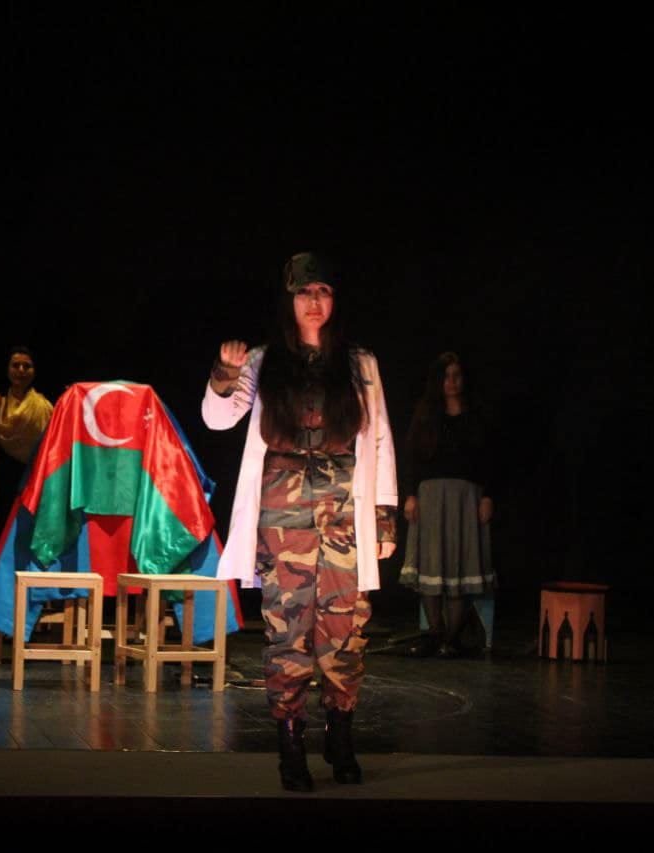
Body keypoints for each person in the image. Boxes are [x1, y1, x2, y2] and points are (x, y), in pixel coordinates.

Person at [202, 252, 398, 791]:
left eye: (324, 291)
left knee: (345, 631)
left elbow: (379, 437)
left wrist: (383, 518)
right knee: (288, 631)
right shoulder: (264, 361)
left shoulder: (358, 363)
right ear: (289, 299)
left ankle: (340, 733)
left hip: (343, 514)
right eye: (305, 292)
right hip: (282, 515)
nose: (315, 301)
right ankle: (290, 744)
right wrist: (224, 374)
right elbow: (217, 418)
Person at [399, 351, 496, 657]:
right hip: (431, 497)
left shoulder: (476, 415)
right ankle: (434, 633)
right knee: (432, 564)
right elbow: (411, 455)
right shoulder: (426, 414)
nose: (452, 382)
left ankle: (451, 640)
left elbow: (490, 459)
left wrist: (487, 495)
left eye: (456, 376)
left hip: (465, 498)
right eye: (446, 376)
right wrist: (410, 494)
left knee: (458, 566)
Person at [0, 346, 53, 627]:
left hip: (29, 490)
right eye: (16, 365)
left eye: (27, 365)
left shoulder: (44, 409)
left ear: (34, 371)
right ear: (7, 369)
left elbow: (50, 456)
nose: (21, 370)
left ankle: (27, 618)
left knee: (26, 553)